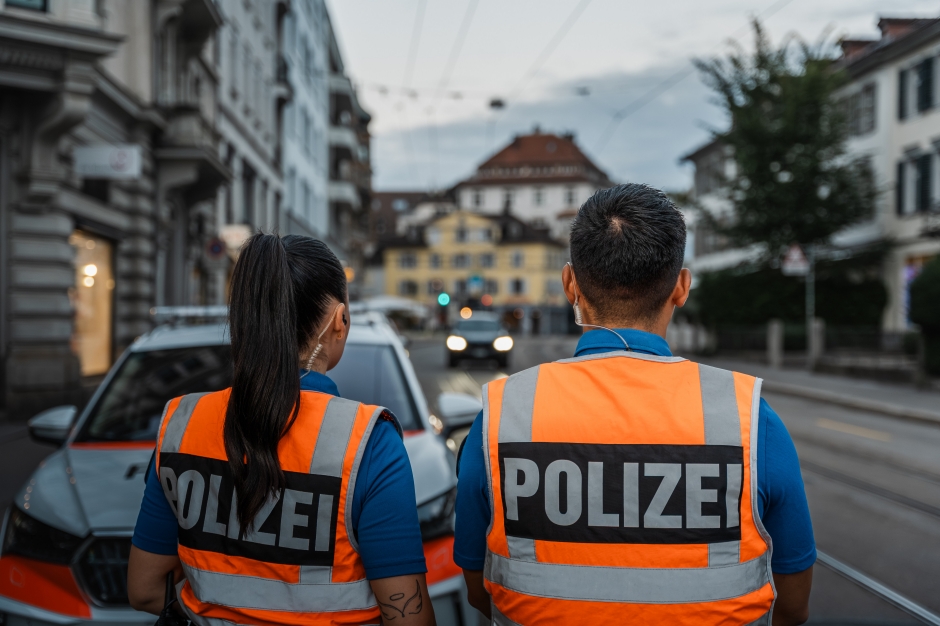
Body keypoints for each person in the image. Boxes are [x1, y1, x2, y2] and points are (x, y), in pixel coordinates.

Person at [453, 184, 815, 625]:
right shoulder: (750, 417)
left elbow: (478, 589)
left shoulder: (500, 414)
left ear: (570, 284)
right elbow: (792, 605)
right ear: (681, 287)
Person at [128, 234, 435, 626]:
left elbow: (144, 590)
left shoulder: (182, 424)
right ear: (339, 321)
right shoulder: (368, 442)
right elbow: (407, 618)